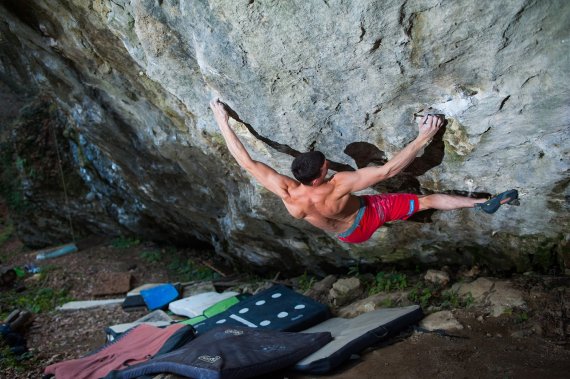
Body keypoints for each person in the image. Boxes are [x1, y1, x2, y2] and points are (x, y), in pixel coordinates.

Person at [210, 99, 518, 244]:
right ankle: (481, 204)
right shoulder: (339, 184)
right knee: (426, 200)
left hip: (347, 235)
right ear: (323, 171)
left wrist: (223, 120)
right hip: (368, 214)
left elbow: (247, 162)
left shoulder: (288, 192)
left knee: (384, 210)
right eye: (326, 164)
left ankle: (395, 218)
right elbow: (388, 170)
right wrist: (424, 136)